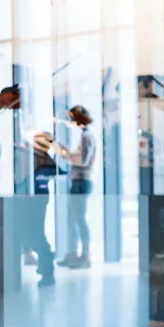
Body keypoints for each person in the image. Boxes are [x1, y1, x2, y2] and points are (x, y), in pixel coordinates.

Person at [57, 104, 96, 268]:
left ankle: (85, 256)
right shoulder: (84, 136)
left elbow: (82, 161)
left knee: (79, 219)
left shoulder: (87, 136)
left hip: (81, 181)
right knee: (73, 219)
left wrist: (65, 154)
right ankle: (74, 254)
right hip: (78, 181)